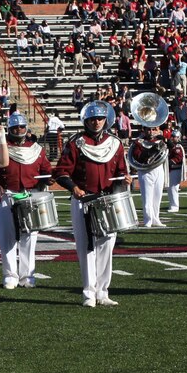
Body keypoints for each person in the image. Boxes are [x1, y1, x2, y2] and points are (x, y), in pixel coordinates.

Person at [54, 101, 128, 307]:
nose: (96, 122)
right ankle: (88, 292)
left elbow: (120, 171)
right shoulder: (76, 143)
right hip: (83, 201)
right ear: (85, 120)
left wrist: (124, 179)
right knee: (86, 248)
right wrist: (73, 188)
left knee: (106, 246)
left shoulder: (115, 143)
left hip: (107, 201)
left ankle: (103, 292)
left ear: (106, 120)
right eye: (92, 119)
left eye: (100, 118)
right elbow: (61, 172)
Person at [0, 112, 53, 288]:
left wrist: (48, 179)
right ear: (9, 129)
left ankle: (27, 275)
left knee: (29, 237)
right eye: (14, 127)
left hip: (30, 195)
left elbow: (46, 170)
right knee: (6, 237)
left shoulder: (37, 149)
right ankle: (10, 274)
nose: (18, 129)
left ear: (26, 128)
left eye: (21, 126)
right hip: (7, 195)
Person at [129, 124, 167, 228]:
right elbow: (139, 156)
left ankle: (156, 218)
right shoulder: (138, 142)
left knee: (157, 196)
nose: (151, 132)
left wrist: (165, 139)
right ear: (144, 130)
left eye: (153, 129)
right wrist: (152, 150)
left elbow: (171, 147)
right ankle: (148, 220)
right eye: (148, 129)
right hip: (145, 171)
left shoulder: (159, 140)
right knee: (147, 197)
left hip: (158, 169)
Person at [166, 131, 184, 212]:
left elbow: (178, 158)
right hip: (171, 170)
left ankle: (175, 206)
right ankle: (172, 204)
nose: (172, 138)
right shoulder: (172, 147)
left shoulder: (178, 147)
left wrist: (171, 161)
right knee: (169, 188)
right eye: (172, 136)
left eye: (174, 136)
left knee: (173, 188)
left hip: (175, 169)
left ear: (178, 138)